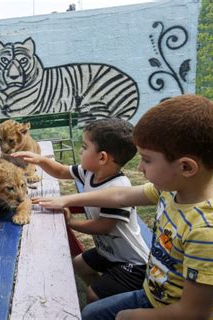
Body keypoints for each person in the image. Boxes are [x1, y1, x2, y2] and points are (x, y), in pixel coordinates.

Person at [35, 95, 213, 319]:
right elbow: (121, 196)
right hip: (155, 295)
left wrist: (133, 316)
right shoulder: (172, 190)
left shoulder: (210, 233)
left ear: (185, 167)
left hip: (177, 313)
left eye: (147, 160)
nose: (140, 168)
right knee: (92, 313)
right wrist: (67, 200)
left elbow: (194, 313)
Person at [12, 118, 150, 303]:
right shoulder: (90, 172)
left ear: (102, 157)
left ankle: (104, 305)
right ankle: (109, 297)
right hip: (108, 252)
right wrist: (40, 159)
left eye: (84, 147)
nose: (80, 151)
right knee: (79, 264)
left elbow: (104, 226)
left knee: (92, 294)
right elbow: (61, 171)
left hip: (131, 262)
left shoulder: (118, 187)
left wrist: (70, 222)